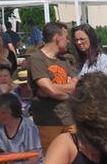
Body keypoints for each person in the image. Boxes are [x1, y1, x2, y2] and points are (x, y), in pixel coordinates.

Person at [26, 22, 78, 150]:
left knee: (76, 158)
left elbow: (75, 86)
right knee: (52, 159)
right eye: (66, 37)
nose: (68, 41)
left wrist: (54, 89)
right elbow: (49, 89)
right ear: (57, 38)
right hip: (48, 122)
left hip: (70, 119)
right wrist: (63, 89)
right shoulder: (37, 59)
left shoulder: (65, 61)